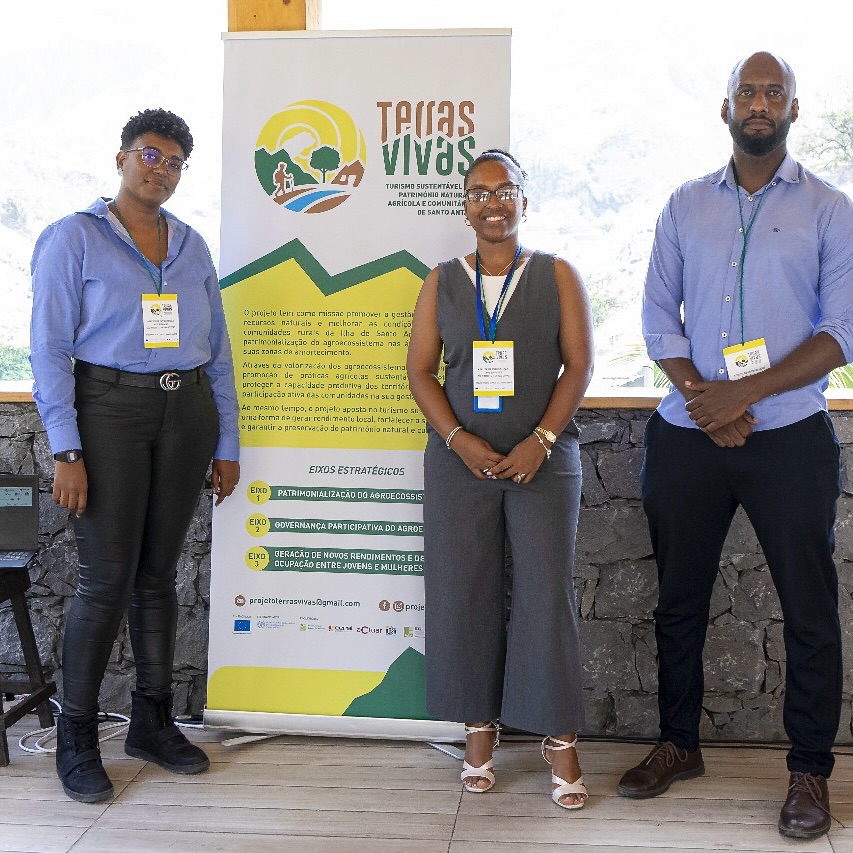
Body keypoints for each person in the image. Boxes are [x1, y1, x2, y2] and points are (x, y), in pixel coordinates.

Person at [617, 53, 853, 840]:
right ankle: (677, 743)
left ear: (792, 109)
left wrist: (740, 395)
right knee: (677, 601)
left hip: (787, 436)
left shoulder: (829, 209)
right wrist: (702, 399)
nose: (759, 103)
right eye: (746, 92)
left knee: (809, 610)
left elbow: (840, 332)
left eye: (772, 92)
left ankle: (809, 771)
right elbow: (658, 318)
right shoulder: (684, 205)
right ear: (724, 109)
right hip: (687, 433)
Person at [29, 108, 240, 804]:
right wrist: (67, 447)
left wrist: (226, 440)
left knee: (158, 577)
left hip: (185, 415)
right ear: (121, 157)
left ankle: (151, 722)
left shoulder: (192, 245)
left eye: (175, 162)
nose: (162, 169)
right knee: (103, 581)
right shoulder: (74, 237)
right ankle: (76, 738)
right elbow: (48, 349)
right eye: (151, 154)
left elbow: (217, 349)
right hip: (108, 413)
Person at [407, 149, 594, 809]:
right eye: (479, 192)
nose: (493, 202)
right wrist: (458, 441)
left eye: (505, 189)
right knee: (464, 592)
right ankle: (478, 732)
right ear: (465, 206)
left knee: (545, 594)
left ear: (523, 199)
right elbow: (420, 372)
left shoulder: (556, 274)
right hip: (461, 464)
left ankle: (559, 739)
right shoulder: (441, 281)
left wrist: (541, 440)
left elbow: (578, 366)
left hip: (543, 460)